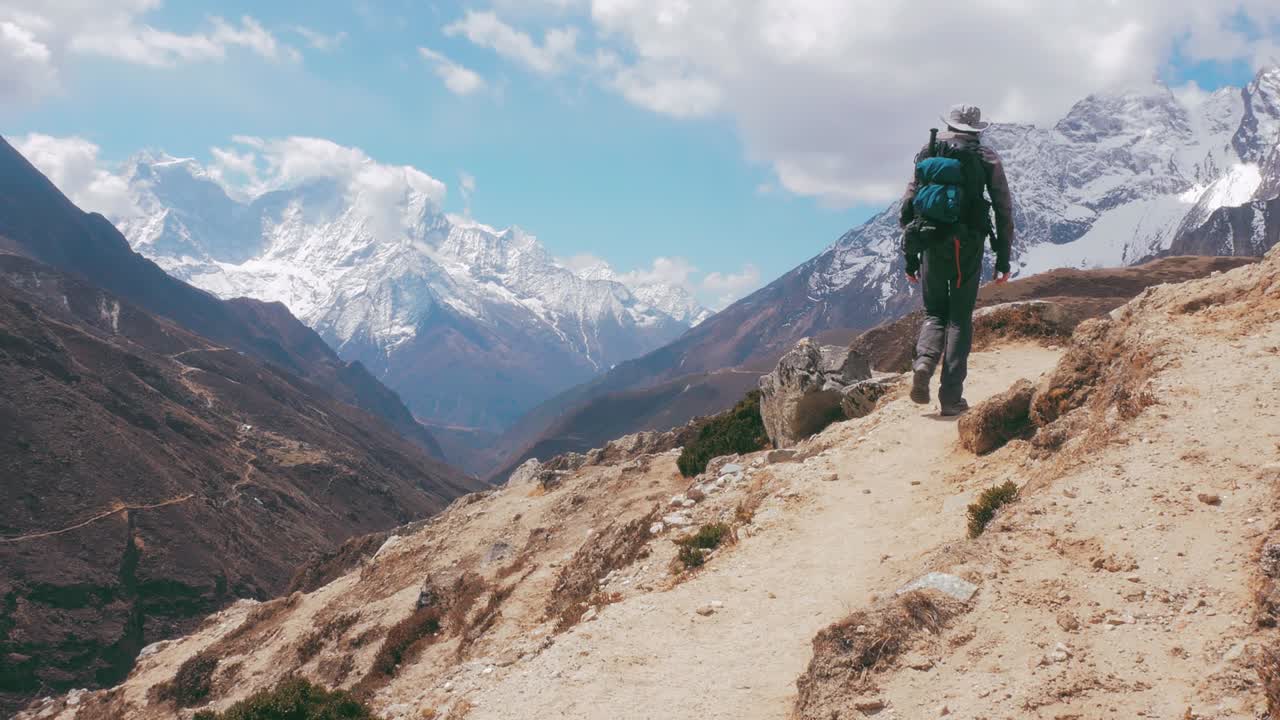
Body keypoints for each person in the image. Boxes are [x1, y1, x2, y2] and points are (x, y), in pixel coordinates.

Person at [898, 103, 1015, 416]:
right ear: (977, 129)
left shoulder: (928, 152)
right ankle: (951, 398)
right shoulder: (986, 157)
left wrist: (910, 257)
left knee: (935, 312)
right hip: (967, 244)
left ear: (949, 124)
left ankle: (923, 363)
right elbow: (1004, 209)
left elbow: (909, 205)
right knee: (959, 317)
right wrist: (1003, 258)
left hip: (930, 241)